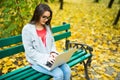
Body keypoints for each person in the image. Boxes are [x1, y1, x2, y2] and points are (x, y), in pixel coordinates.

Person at [22, 3, 71, 80]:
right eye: (44, 17)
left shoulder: (47, 26)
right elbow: (29, 51)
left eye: (48, 17)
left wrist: (53, 52)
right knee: (59, 74)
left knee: (67, 70)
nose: (46, 20)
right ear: (37, 15)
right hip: (37, 62)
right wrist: (47, 57)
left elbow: (52, 43)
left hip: (50, 60)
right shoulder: (27, 29)